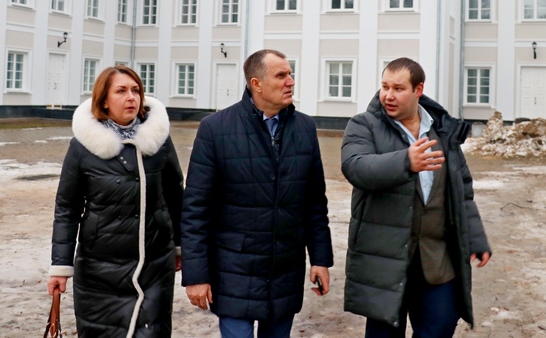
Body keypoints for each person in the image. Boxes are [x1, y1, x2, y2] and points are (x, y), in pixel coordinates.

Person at [181, 49, 333, 338]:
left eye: (290, 74)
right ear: (256, 84)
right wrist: (196, 275)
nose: (290, 81)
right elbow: (196, 211)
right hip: (233, 271)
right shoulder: (215, 129)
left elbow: (314, 203)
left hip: (285, 271)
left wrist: (320, 259)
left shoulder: (304, 128)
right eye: (281, 75)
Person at [341, 57, 491, 338]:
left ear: (418, 90)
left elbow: (462, 190)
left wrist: (475, 237)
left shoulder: (442, 131)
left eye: (398, 88)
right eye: (385, 86)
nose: (388, 95)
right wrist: (405, 162)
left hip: (435, 258)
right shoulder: (364, 125)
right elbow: (356, 167)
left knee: (441, 326)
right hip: (385, 260)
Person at [47, 65, 184, 337]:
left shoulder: (159, 141)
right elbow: (67, 208)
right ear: (104, 101)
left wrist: (180, 247)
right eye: (121, 91)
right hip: (100, 267)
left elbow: (175, 196)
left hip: (154, 264)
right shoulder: (83, 146)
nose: (131, 97)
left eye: (136, 90)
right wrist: (60, 266)